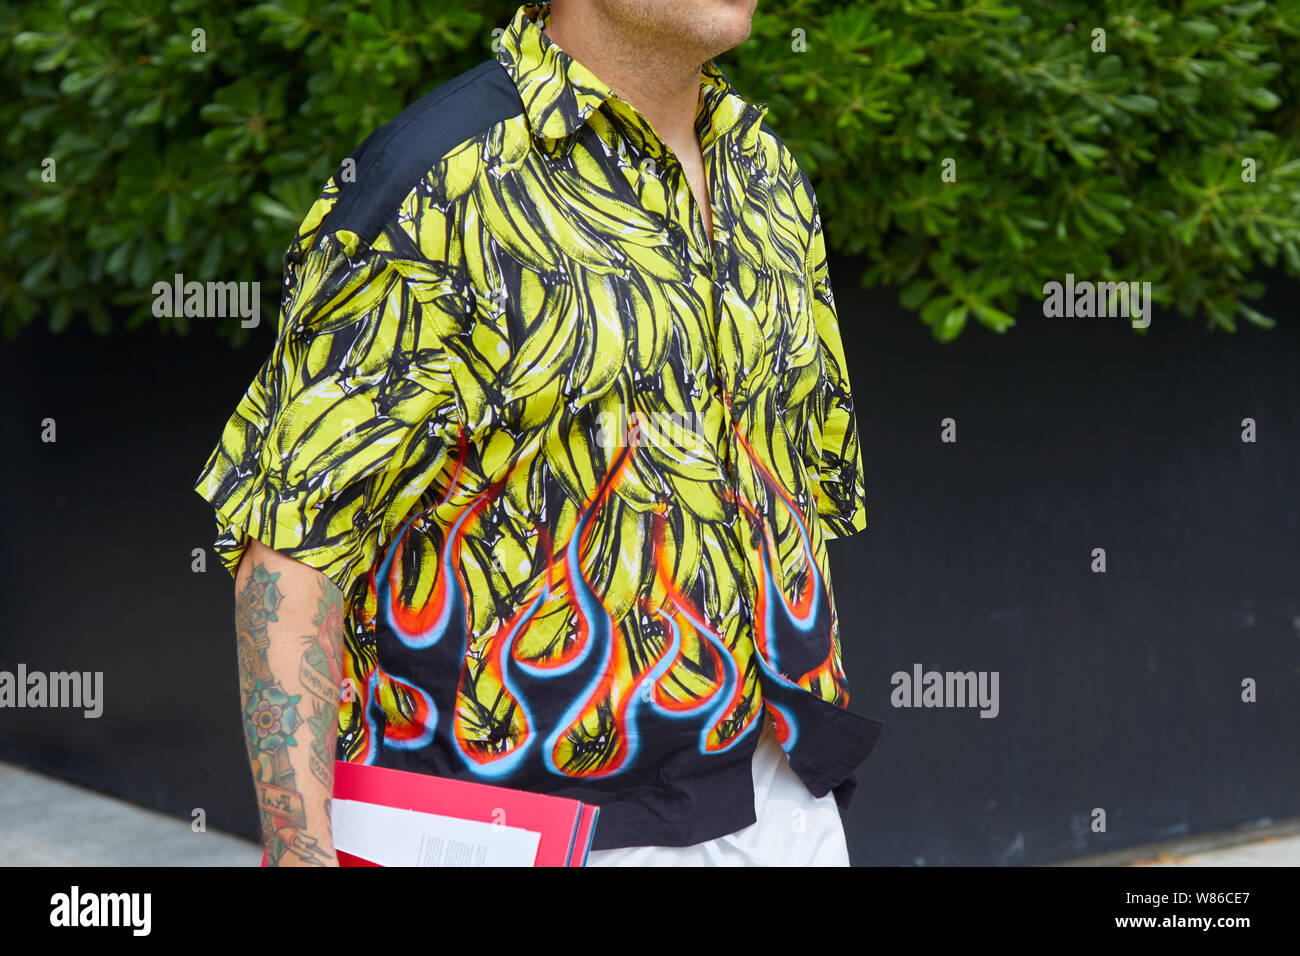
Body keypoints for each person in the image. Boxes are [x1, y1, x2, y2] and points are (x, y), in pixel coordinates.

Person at [195, 0, 882, 867]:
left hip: (778, 793)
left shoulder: (765, 172)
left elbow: (796, 489)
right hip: (511, 829)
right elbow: (293, 545)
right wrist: (301, 855)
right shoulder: (440, 180)